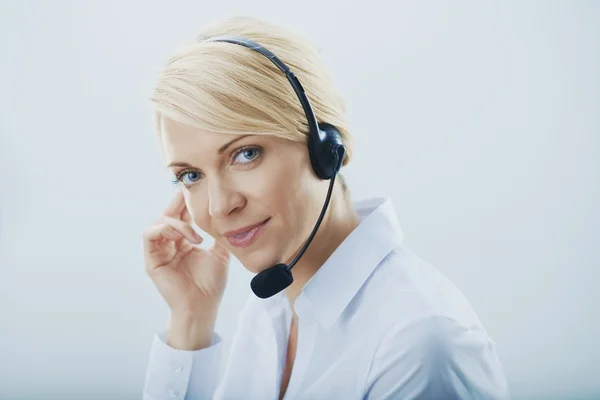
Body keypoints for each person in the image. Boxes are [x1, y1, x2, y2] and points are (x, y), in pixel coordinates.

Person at [142, 15, 510, 400]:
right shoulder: (271, 311)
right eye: (190, 176)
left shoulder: (418, 345)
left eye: (245, 154)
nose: (219, 207)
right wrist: (191, 319)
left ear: (325, 148)